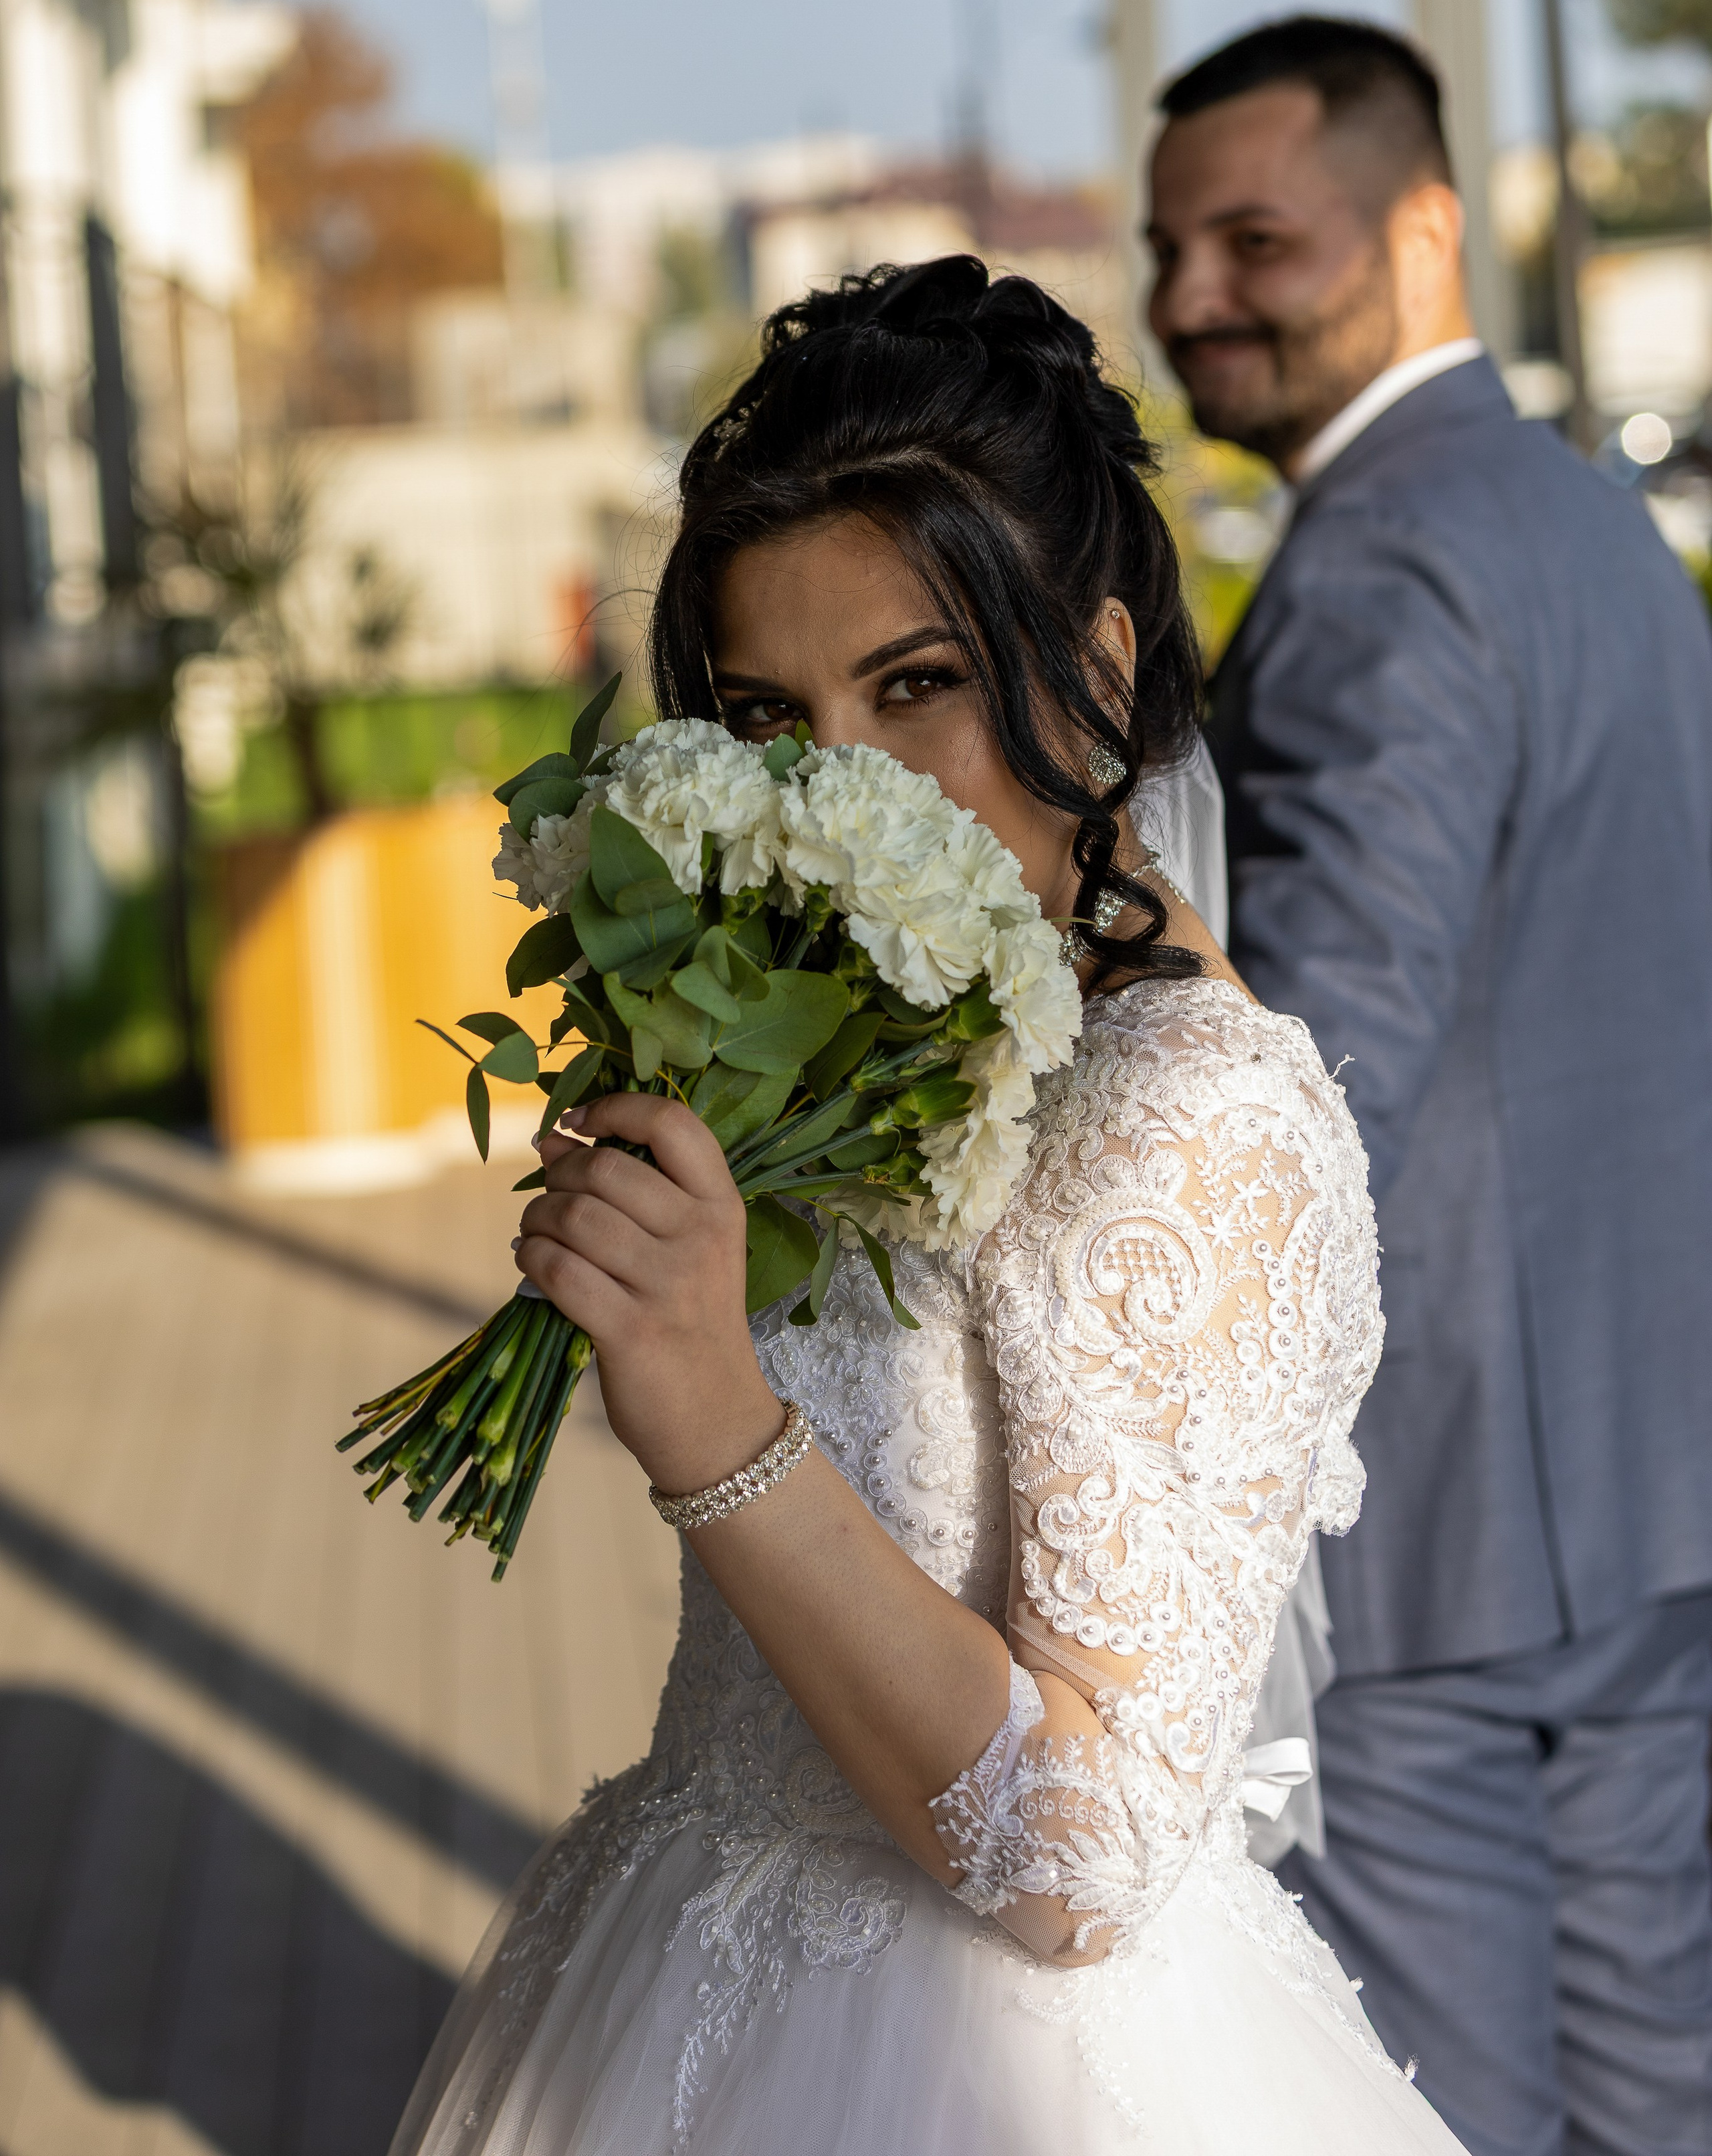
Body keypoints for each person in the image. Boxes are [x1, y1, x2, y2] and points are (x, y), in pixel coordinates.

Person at [387, 257, 1466, 2156]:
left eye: (918, 687)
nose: (842, 797)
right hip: (681, 1956)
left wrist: (716, 1425)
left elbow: (1085, 1854)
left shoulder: (1188, 1122)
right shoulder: (871, 1022)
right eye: (771, 721)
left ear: (1100, 673)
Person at [1149, 14, 1712, 2155]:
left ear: (1422, 234)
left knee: (1437, 2113)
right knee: (1658, 2089)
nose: (1192, 294)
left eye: (1254, 242)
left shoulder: (1384, 555)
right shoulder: (1587, 519)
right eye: (1168, 247)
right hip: (1650, 1479)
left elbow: (1318, 1083)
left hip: (1443, 1523)